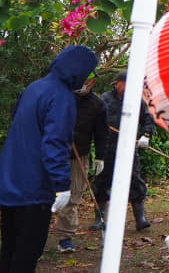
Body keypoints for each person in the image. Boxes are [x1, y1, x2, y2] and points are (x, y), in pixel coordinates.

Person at [0, 45, 98, 272]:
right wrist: (62, 185)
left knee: (9, 249)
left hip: (9, 181)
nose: (89, 79)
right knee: (27, 252)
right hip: (33, 189)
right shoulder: (61, 97)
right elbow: (54, 143)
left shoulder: (34, 88)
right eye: (89, 73)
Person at [91, 69, 155, 231]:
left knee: (135, 181)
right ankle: (99, 218)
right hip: (107, 149)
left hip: (128, 149)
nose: (128, 87)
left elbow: (147, 119)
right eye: (125, 84)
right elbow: (94, 121)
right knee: (101, 182)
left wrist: (145, 135)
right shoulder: (104, 99)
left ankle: (140, 218)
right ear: (117, 83)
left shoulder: (136, 101)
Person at [53, 71, 108, 253]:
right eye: (83, 80)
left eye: (90, 81)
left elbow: (101, 134)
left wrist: (100, 157)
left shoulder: (98, 105)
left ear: (93, 82)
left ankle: (65, 237)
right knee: (46, 193)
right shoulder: (62, 96)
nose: (86, 84)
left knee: (73, 196)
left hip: (79, 156)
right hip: (54, 153)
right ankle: (33, 232)